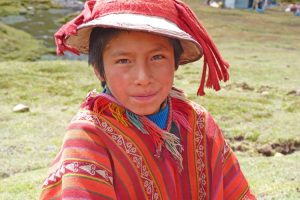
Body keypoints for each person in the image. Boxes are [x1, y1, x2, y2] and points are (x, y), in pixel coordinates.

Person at [40, 0, 256, 199]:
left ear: (175, 62)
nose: (143, 78)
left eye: (157, 57)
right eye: (124, 60)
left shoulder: (199, 122)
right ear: (99, 70)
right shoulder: (89, 134)